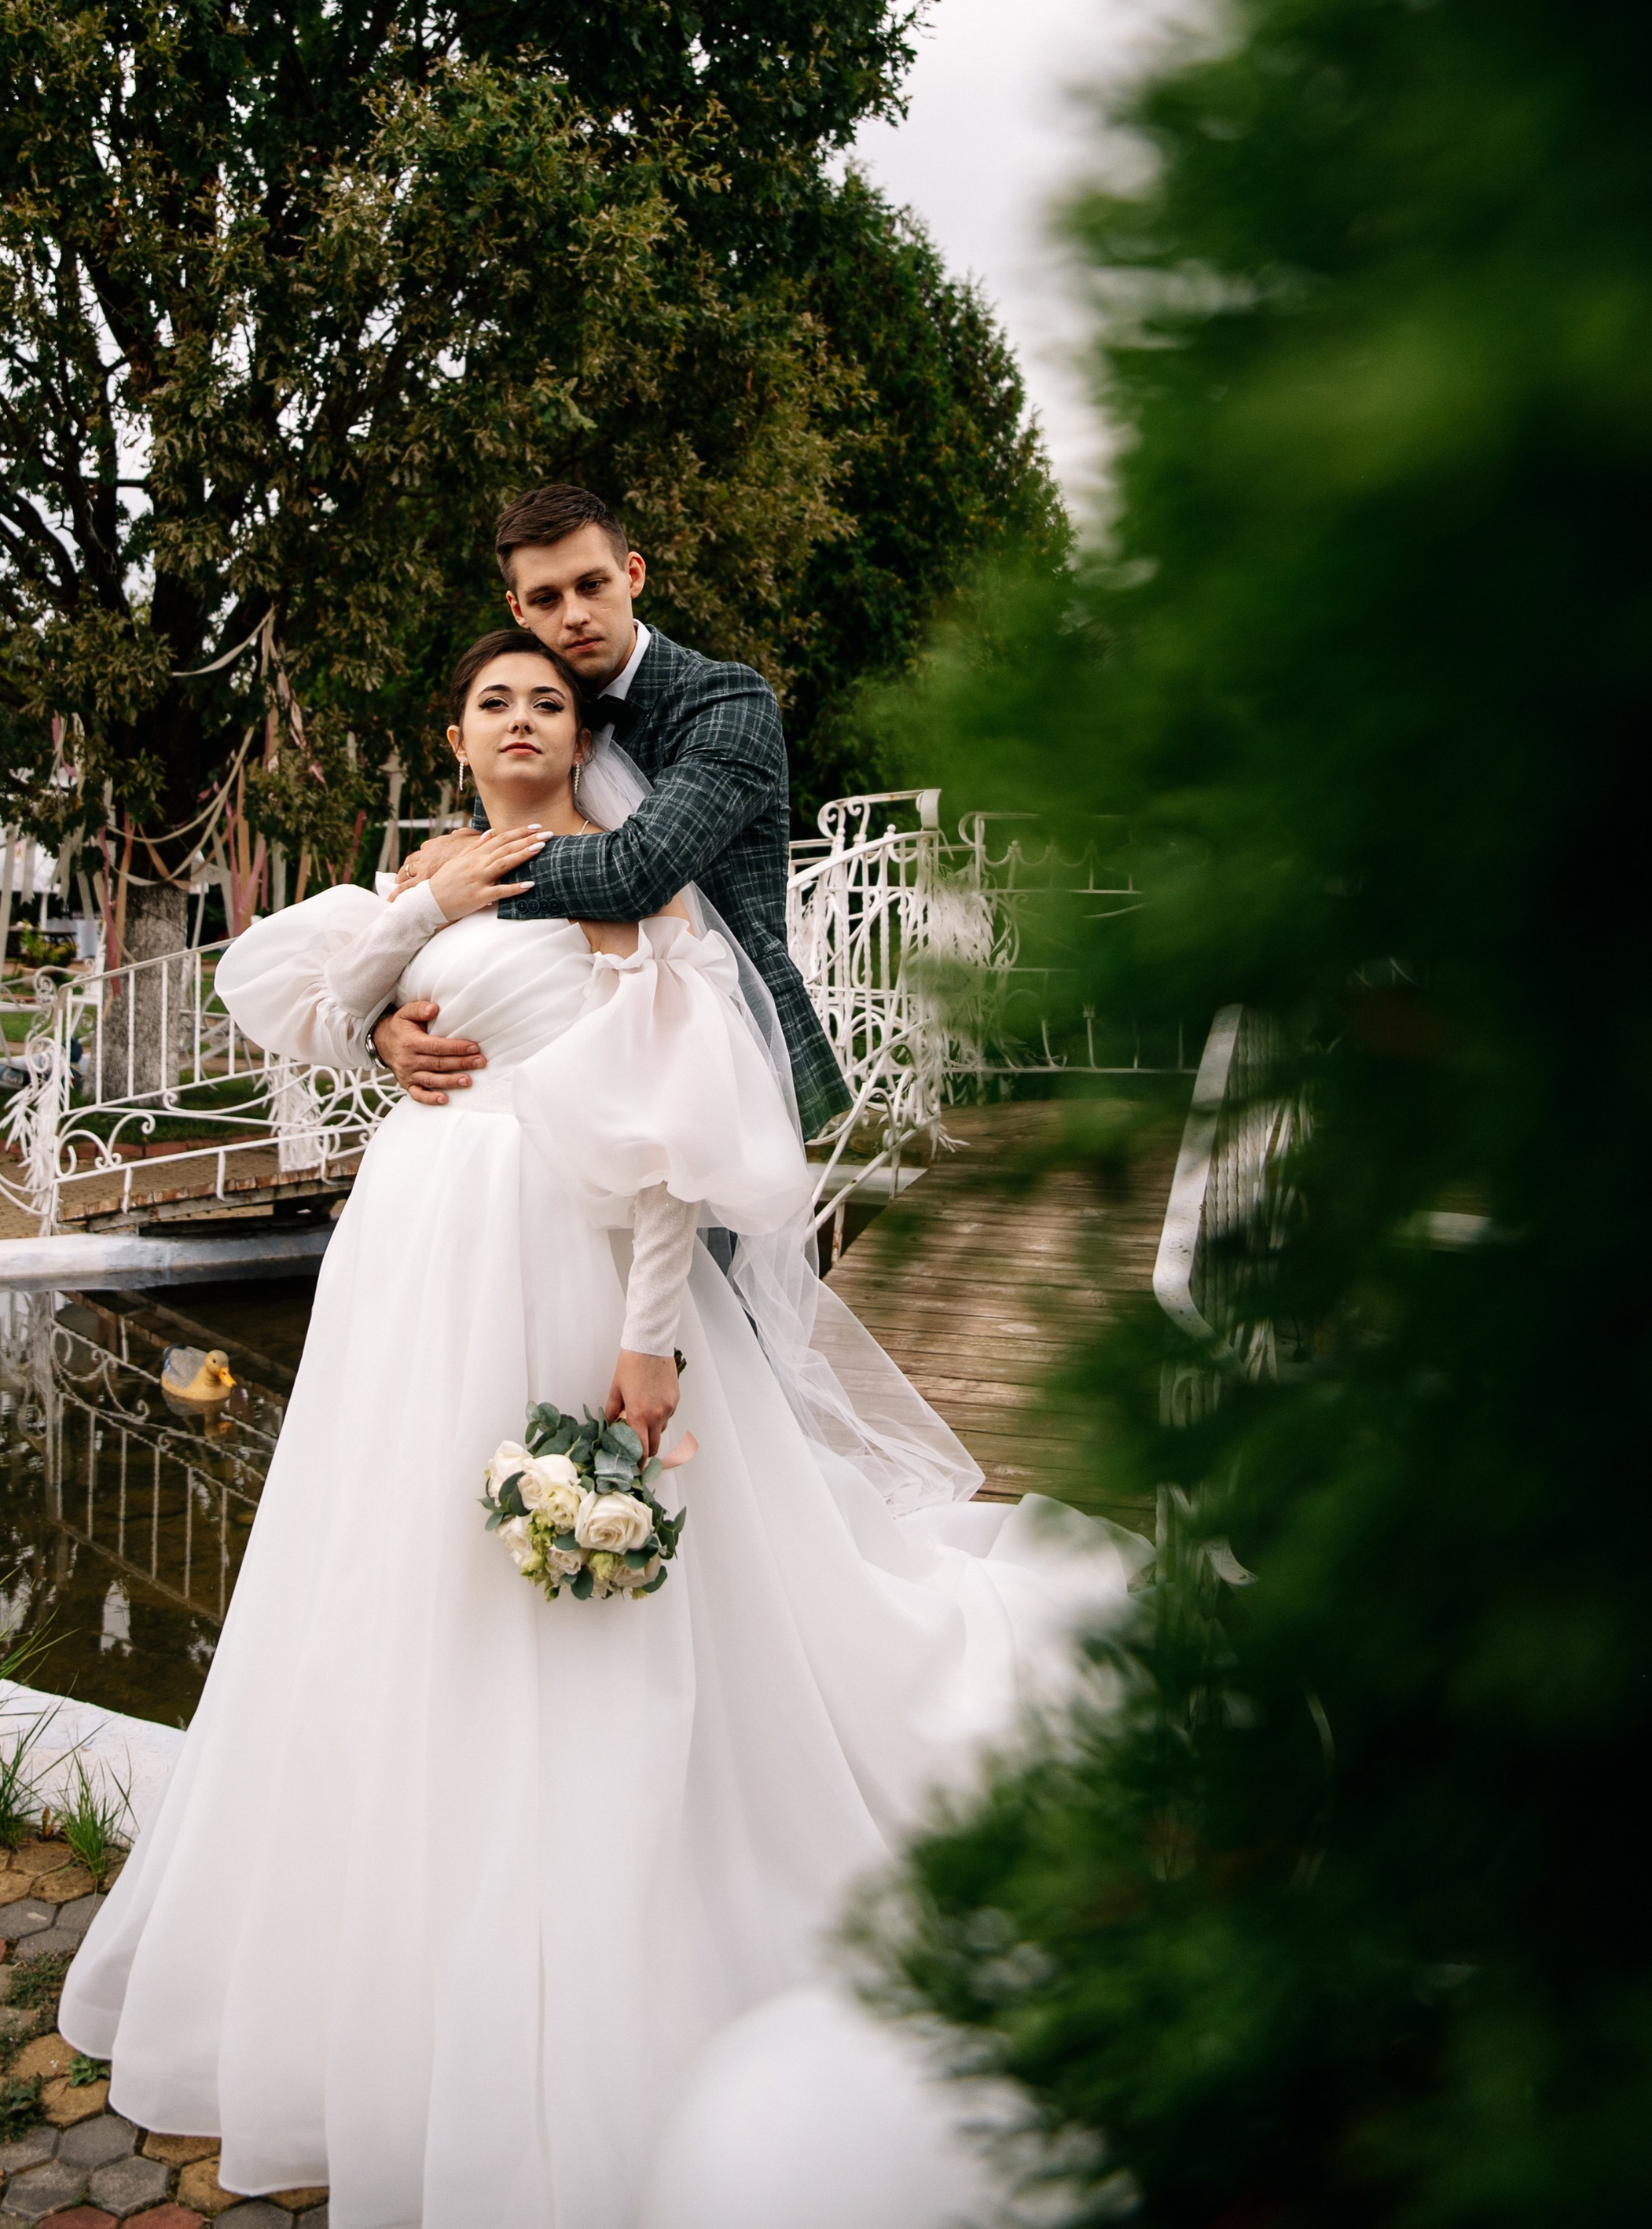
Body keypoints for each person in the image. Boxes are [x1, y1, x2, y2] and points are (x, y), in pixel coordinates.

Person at [59, 625, 1144, 2229]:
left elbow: (670, 1133)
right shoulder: (435, 866)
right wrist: (393, 987)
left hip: (565, 1256)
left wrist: (647, 1344)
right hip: (410, 1254)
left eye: (545, 702)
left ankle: (611, 1926)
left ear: (581, 735)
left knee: (578, 1590)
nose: (519, 718)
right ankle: (402, 1938)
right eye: (492, 700)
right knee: (402, 1563)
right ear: (456, 734)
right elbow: (285, 999)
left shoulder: (625, 882)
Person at [373, 483, 852, 1138]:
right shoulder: (528, 720)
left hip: (727, 1056)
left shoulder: (727, 700)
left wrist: (476, 860)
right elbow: (486, 919)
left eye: (592, 585)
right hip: (569, 1073)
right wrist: (385, 1029)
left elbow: (638, 870)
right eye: (546, 598)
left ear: (633, 575)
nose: (574, 615)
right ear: (518, 609)